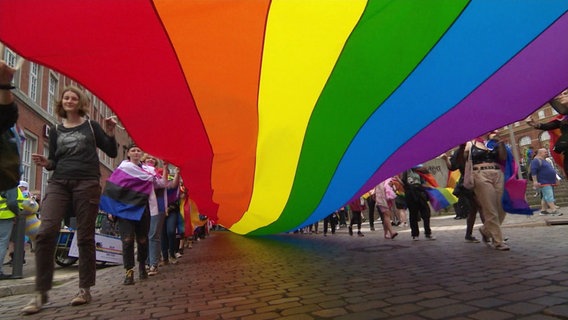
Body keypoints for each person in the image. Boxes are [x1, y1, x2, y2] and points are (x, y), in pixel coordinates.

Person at [23, 86, 118, 314]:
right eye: (66, 97)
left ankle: (84, 288)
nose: (69, 100)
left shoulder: (91, 127)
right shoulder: (56, 129)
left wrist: (110, 132)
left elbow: (112, 152)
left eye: (74, 98)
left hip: (86, 182)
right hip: (59, 182)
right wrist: (47, 163)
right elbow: (55, 159)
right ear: (62, 102)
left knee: (84, 236)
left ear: (80, 103)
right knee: (45, 232)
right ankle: (41, 292)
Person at [464, 131, 509, 251]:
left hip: (497, 173)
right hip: (480, 174)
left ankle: (485, 230)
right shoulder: (471, 142)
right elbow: (462, 158)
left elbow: (503, 157)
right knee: (490, 208)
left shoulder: (494, 143)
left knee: (502, 207)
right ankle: (498, 241)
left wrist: (500, 142)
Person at [443, 144, 483, 243]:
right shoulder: (460, 151)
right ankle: (491, 233)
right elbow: (452, 167)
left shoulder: (474, 148)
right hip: (468, 183)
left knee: (474, 209)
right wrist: (445, 159)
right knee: (481, 206)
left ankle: (469, 235)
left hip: (478, 181)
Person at [526, 88, 568, 175]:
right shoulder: (564, 118)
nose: (561, 96)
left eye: (565, 94)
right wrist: (535, 124)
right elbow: (551, 125)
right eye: (561, 94)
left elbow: (562, 111)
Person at [402, 167, 435, 241]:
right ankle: (415, 234)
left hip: (420, 193)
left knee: (426, 214)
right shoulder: (406, 170)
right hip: (411, 194)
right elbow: (404, 182)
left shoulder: (420, 170)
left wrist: (429, 187)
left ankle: (428, 233)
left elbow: (423, 182)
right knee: (413, 215)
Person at [530, 148, 559, 215]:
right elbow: (533, 172)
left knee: (545, 197)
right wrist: (535, 181)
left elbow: (551, 170)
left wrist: (556, 179)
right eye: (545, 152)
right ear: (540, 153)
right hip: (543, 181)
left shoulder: (544, 160)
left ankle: (543, 211)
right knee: (549, 195)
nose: (547, 153)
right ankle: (554, 210)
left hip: (549, 181)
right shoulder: (536, 161)